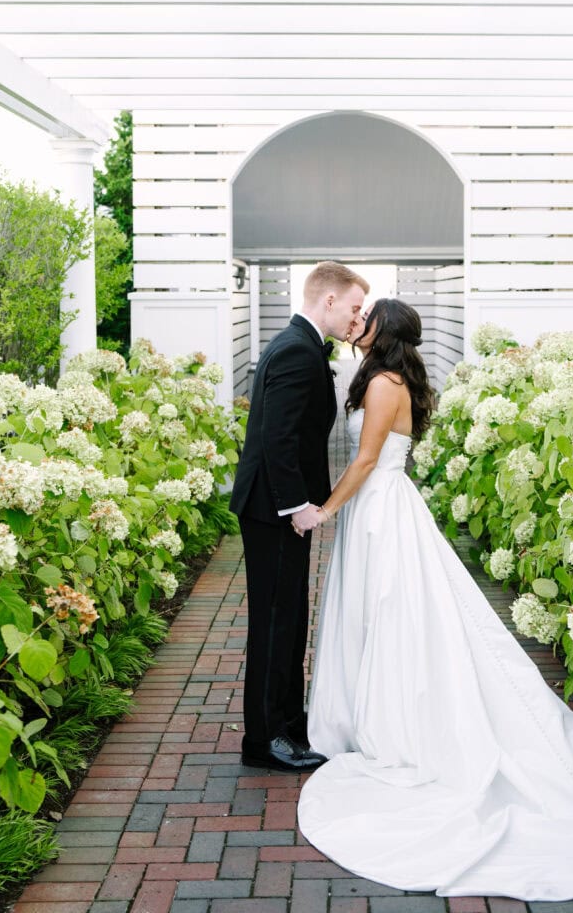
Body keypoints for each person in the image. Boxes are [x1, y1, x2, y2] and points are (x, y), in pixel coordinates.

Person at [297, 298, 573, 900]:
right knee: (392, 614)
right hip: (384, 509)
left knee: (395, 613)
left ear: (382, 332)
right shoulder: (385, 377)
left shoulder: (385, 384)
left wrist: (324, 511)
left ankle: (399, 727)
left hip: (380, 512)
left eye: (366, 318)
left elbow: (367, 459)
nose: (357, 321)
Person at [230, 261, 369, 772]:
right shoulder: (295, 350)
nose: (356, 317)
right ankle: (264, 740)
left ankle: (287, 720)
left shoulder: (299, 344)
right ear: (328, 300)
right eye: (353, 306)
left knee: (288, 617)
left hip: (278, 508)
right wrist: (298, 507)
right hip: (275, 511)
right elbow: (277, 437)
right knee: (273, 622)